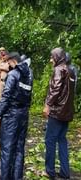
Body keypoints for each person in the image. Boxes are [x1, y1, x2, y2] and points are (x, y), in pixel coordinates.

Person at [0, 52, 33, 180]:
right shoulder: (30, 74)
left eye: (9, 63)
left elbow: (6, 97)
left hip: (12, 115)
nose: (9, 65)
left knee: (7, 148)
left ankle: (4, 177)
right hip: (24, 115)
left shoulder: (13, 75)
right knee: (19, 148)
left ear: (14, 61)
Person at [42, 48, 75, 179]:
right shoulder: (71, 70)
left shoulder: (59, 69)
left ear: (57, 57)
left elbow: (55, 89)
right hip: (67, 113)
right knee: (62, 141)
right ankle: (65, 172)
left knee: (50, 140)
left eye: (52, 57)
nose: (51, 60)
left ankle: (49, 171)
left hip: (57, 112)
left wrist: (47, 105)